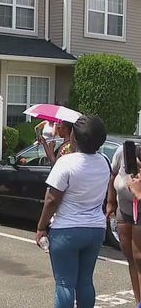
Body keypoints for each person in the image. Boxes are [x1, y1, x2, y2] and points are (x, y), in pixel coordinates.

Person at [36, 115, 109, 308]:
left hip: (66, 229)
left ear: (75, 138)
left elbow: (52, 199)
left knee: (64, 284)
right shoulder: (104, 162)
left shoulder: (66, 163)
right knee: (85, 281)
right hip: (95, 229)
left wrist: (41, 227)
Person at [106, 144, 141, 304]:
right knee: (132, 259)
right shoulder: (123, 152)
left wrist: (139, 193)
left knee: (139, 259)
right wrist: (111, 201)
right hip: (126, 212)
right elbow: (113, 175)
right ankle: (138, 301)